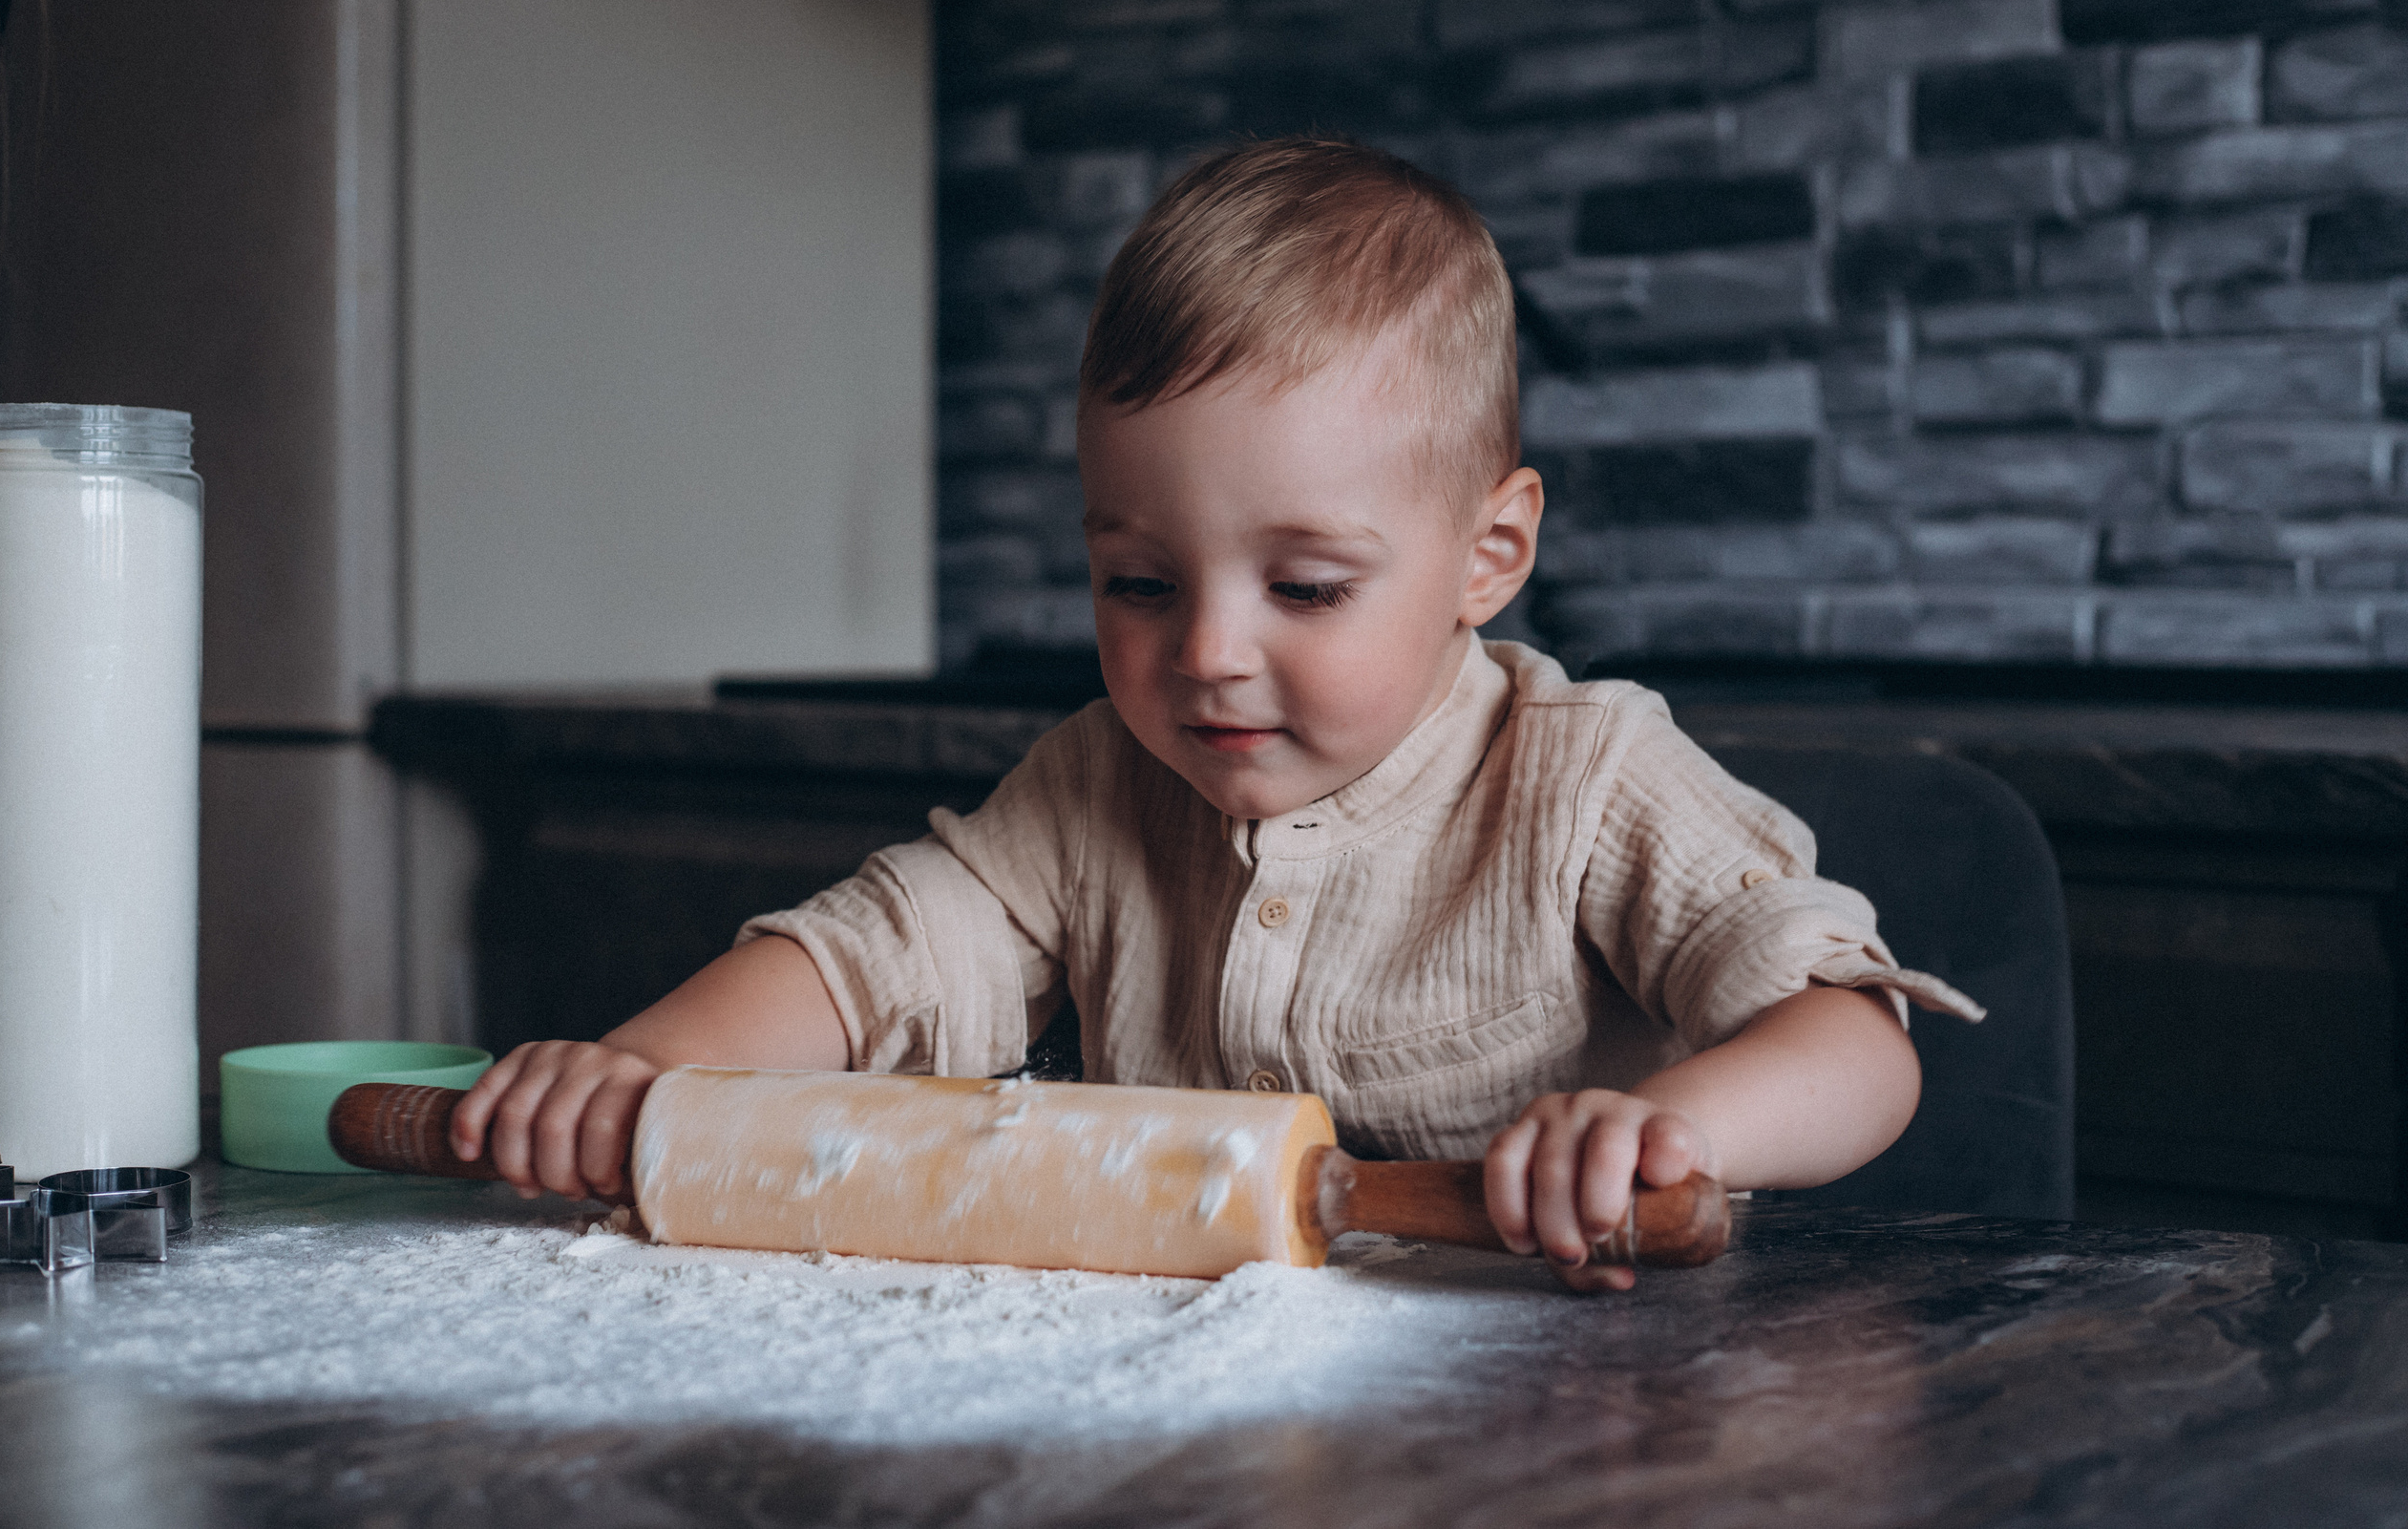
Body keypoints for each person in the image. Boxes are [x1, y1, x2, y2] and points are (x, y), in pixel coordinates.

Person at [452, 137, 1984, 1291]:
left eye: (1306, 589)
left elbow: (1854, 1041)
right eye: (1137, 583)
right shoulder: (1092, 785)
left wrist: (1678, 1131)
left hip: (1561, 1409)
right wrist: (644, 1073)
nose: (1207, 657)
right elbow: (865, 966)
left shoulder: (1584, 778)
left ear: (1488, 557)